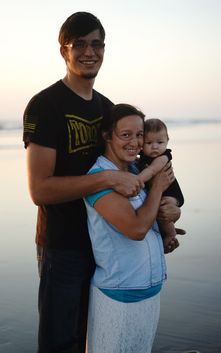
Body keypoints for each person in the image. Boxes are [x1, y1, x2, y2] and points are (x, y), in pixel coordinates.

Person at [23, 11, 182, 353]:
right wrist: (107, 179)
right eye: (78, 44)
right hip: (63, 244)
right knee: (60, 342)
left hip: (107, 245)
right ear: (64, 51)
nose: (88, 52)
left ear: (105, 49)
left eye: (96, 44)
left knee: (92, 339)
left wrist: (168, 208)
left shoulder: (106, 108)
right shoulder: (45, 106)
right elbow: (39, 190)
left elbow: (140, 163)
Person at [84, 103, 176, 353]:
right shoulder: (99, 177)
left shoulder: (138, 169)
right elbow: (136, 230)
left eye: (139, 135)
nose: (134, 143)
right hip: (120, 294)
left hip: (152, 288)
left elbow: (154, 212)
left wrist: (172, 211)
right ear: (107, 136)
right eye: (125, 135)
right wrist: (157, 187)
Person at [138, 118, 185, 252]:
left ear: (167, 141)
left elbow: (152, 170)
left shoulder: (163, 157)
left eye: (160, 142)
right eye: (149, 142)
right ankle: (164, 230)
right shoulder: (141, 157)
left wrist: (137, 180)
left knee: (163, 209)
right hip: (161, 191)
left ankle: (170, 234)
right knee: (157, 210)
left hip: (171, 193)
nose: (155, 146)